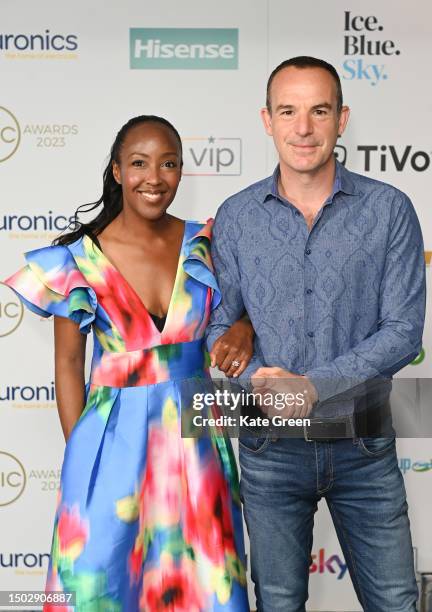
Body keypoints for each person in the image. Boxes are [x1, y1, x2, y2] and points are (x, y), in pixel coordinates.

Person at [5, 115, 252, 611]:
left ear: (182, 171)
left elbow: (244, 307)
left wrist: (244, 325)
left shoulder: (207, 243)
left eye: (168, 164)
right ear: (117, 171)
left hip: (195, 442)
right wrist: (83, 455)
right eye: (138, 163)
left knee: (206, 586)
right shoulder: (77, 259)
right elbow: (68, 364)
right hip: (110, 445)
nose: (154, 178)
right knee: (98, 587)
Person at [207, 57, 425, 612]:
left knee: (396, 601)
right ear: (267, 120)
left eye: (318, 111)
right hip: (269, 447)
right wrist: (260, 380)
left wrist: (313, 386)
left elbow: (403, 330)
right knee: (278, 603)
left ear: (341, 118)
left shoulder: (389, 210)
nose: (303, 127)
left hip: (363, 443)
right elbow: (218, 324)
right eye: (289, 111)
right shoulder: (235, 217)